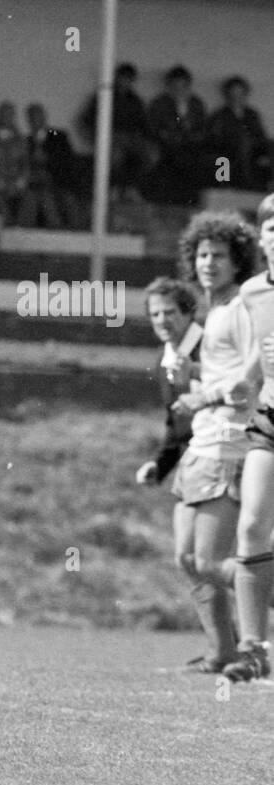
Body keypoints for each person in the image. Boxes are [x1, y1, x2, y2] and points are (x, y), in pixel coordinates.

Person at [166, 212, 260, 674]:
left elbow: (252, 379)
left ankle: (256, 622)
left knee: (207, 560)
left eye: (219, 255)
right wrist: (193, 377)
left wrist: (202, 394)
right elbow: (225, 372)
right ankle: (221, 651)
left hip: (231, 444)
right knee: (186, 558)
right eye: (202, 254)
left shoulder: (243, 305)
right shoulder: (214, 310)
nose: (208, 263)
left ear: (238, 260)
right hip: (202, 443)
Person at [226, 193, 274, 682]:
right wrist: (245, 379)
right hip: (270, 418)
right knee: (252, 526)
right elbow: (265, 347)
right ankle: (253, 648)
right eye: (273, 228)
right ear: (260, 238)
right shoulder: (253, 292)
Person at [134, 278, 202, 490]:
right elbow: (177, 424)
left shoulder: (209, 346)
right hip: (194, 458)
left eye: (169, 312)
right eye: (155, 314)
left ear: (188, 312)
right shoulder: (165, 357)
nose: (162, 320)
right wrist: (160, 465)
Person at [79, 62, 150, 203]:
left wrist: (138, 137)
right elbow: (87, 120)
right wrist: (96, 137)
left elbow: (143, 124)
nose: (125, 82)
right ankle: (113, 188)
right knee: (116, 155)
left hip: (131, 139)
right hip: (110, 138)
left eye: (128, 79)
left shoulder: (135, 101)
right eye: (122, 78)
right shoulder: (104, 96)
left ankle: (131, 188)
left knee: (151, 154)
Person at [146, 65, 208, 205]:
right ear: (169, 86)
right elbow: (153, 127)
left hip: (191, 145)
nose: (179, 90)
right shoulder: (159, 103)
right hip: (166, 145)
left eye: (182, 86)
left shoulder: (196, 104)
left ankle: (191, 199)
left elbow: (203, 128)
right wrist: (169, 136)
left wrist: (192, 137)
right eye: (175, 86)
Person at [18, 103, 78, 229]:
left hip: (56, 180)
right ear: (28, 120)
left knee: (55, 197)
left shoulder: (56, 134)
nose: (36, 121)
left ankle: (60, 232)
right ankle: (24, 235)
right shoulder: (26, 140)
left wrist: (48, 159)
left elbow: (67, 160)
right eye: (32, 118)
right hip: (34, 182)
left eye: (38, 117)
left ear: (44, 118)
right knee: (35, 195)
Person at [206, 76, 270, 194]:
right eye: (233, 93)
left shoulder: (252, 114)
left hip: (250, 155)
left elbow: (260, 136)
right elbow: (213, 139)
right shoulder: (219, 115)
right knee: (222, 161)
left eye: (240, 93)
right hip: (227, 154)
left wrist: (263, 153)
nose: (236, 97)